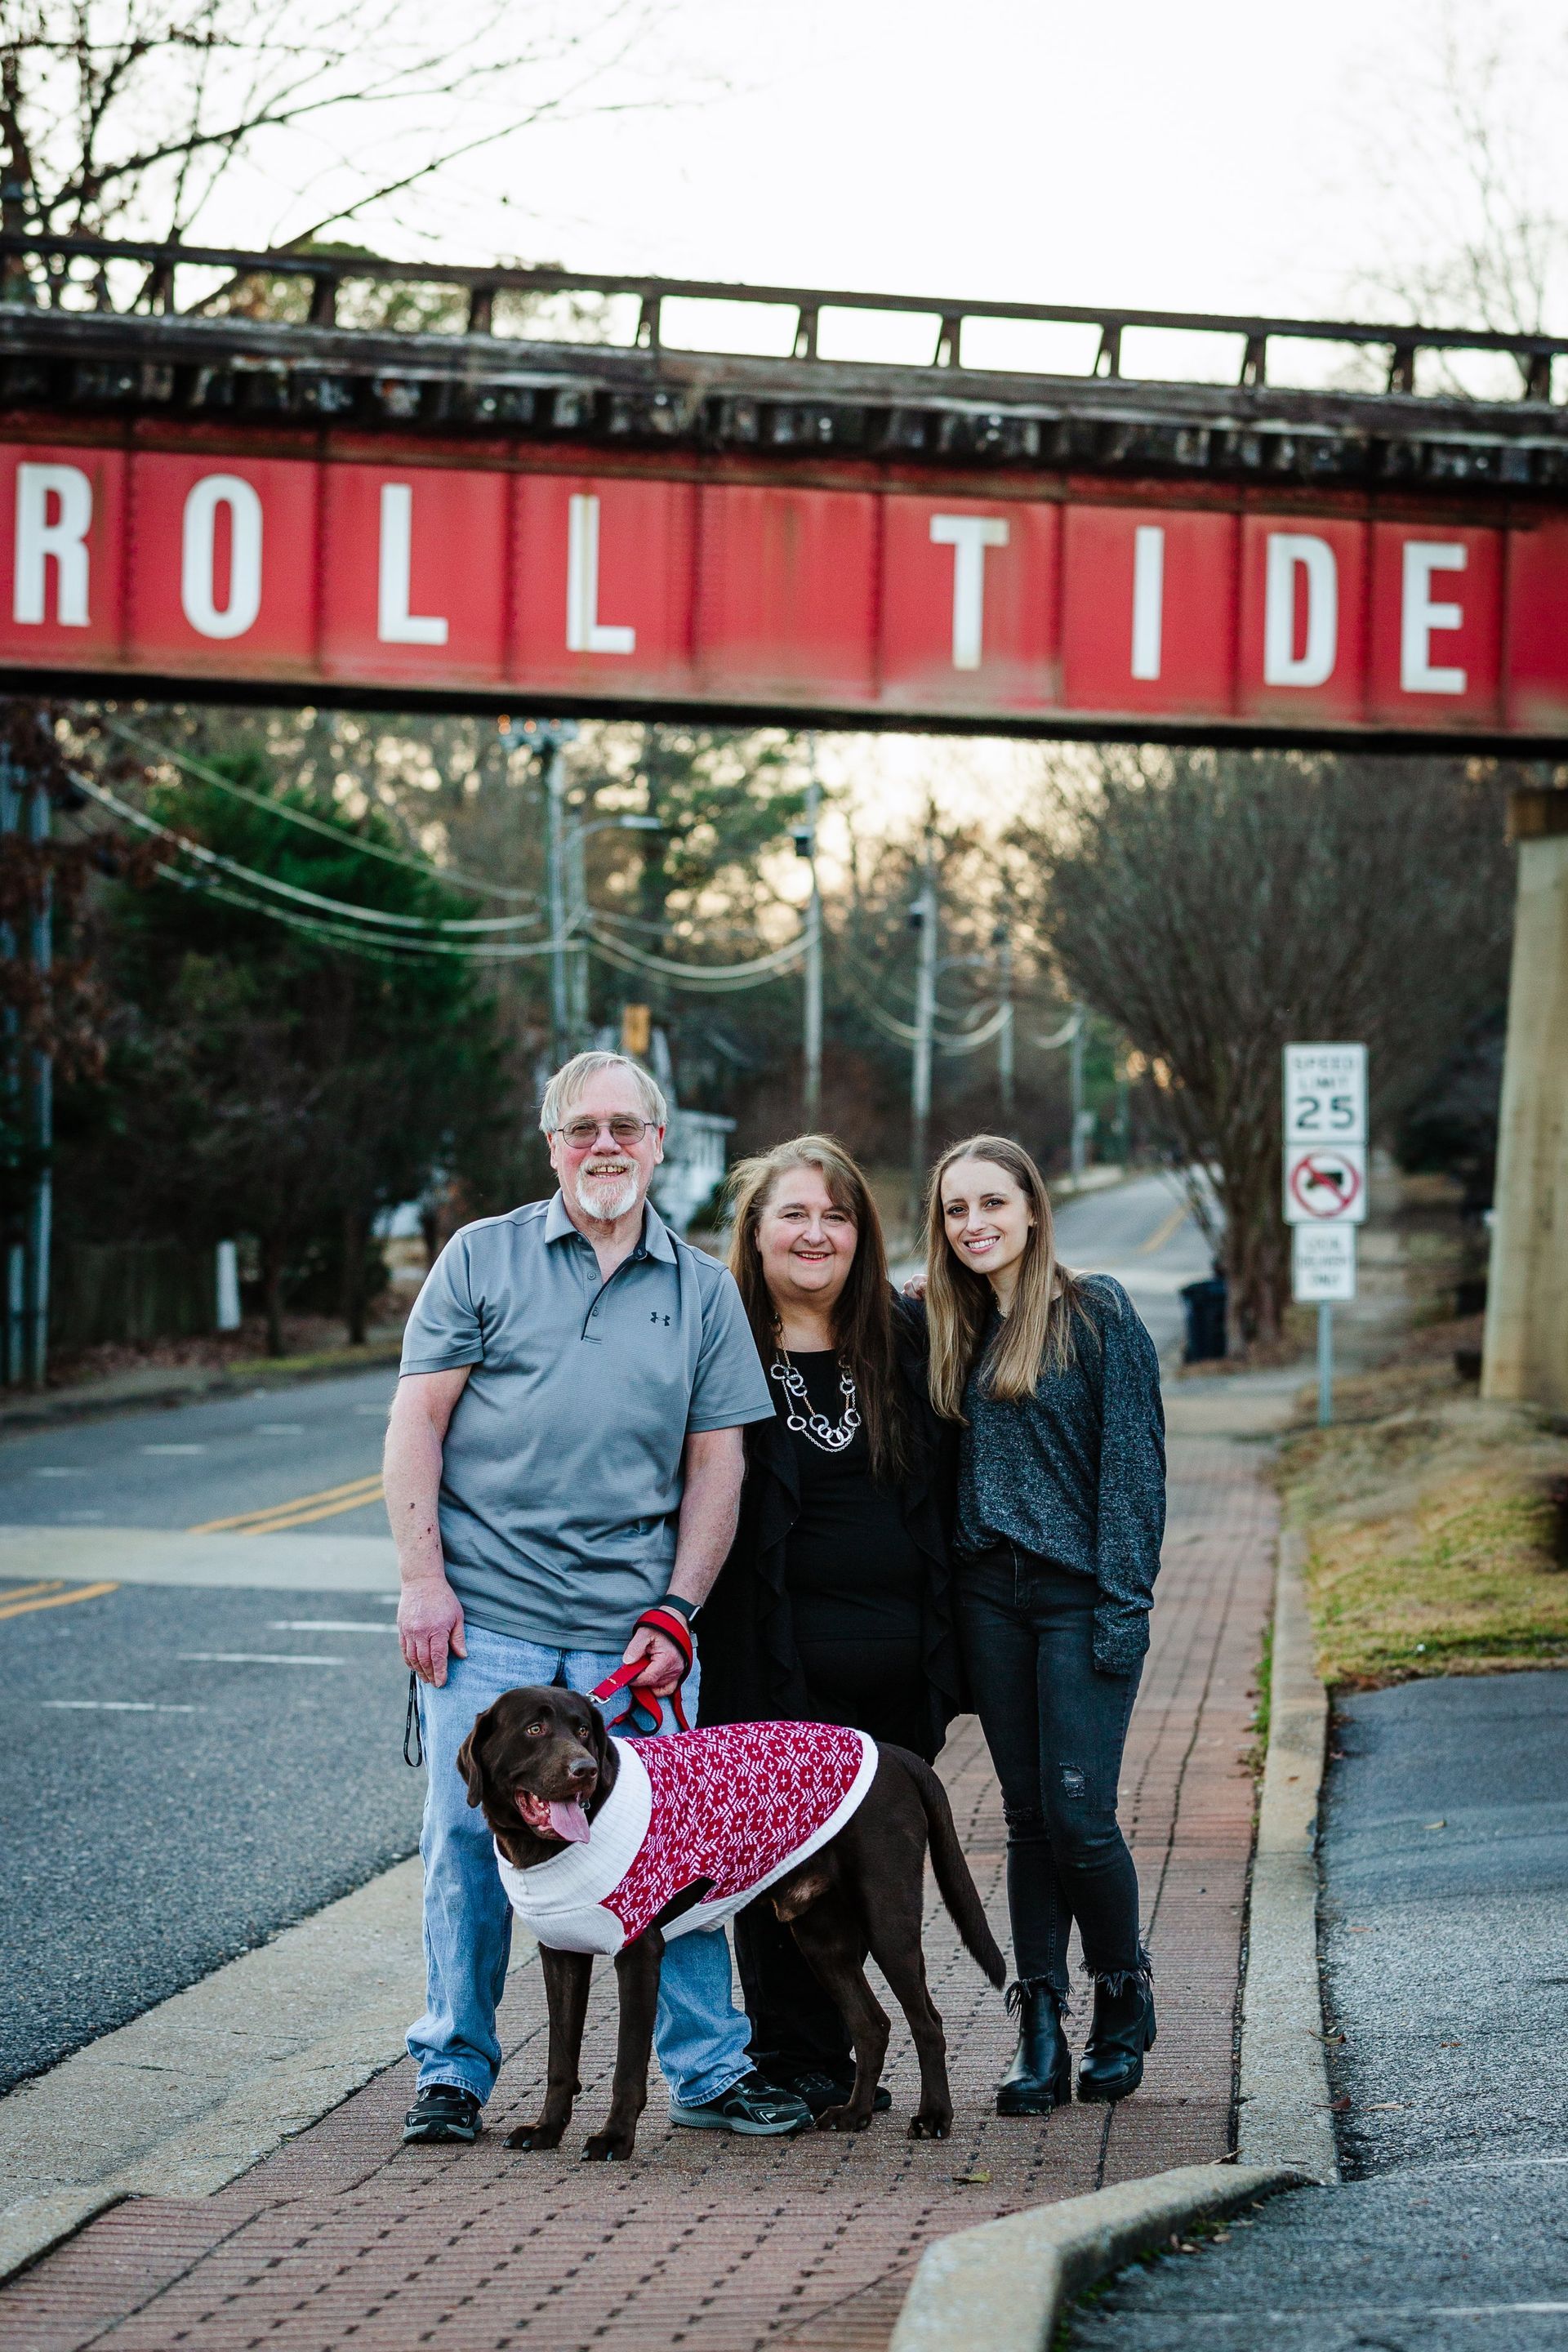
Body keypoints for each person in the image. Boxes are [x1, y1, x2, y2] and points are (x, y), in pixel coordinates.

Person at [386, 1049, 812, 2145]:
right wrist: (423, 1582)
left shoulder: (705, 1291)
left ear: (660, 1144)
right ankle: (454, 2074)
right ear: (553, 1146)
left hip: (635, 1637)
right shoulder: (481, 1261)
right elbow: (416, 1425)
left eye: (627, 1126)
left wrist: (678, 1609)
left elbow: (717, 1465)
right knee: (465, 1851)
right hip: (488, 1629)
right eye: (583, 1128)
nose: (605, 1146)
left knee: (670, 1853)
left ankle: (710, 2077)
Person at [698, 1135, 964, 2118]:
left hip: (898, 1659)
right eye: (794, 1216)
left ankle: (863, 2055)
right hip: (770, 1657)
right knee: (778, 1861)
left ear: (863, 1233)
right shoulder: (717, 1341)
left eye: (836, 1216)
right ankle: (793, 2058)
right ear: (756, 1233)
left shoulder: (905, 1340)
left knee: (872, 1866)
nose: (816, 1234)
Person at [924, 1134, 1165, 2118]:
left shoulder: (1096, 1314)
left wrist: (1122, 1613)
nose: (974, 1225)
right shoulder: (944, 1327)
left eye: (992, 1204)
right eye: (954, 1210)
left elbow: (1135, 1479)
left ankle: (1122, 1989)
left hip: (1077, 1598)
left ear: (1031, 1208)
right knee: (1026, 1820)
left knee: (1079, 1814)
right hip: (988, 1599)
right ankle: (1040, 2024)